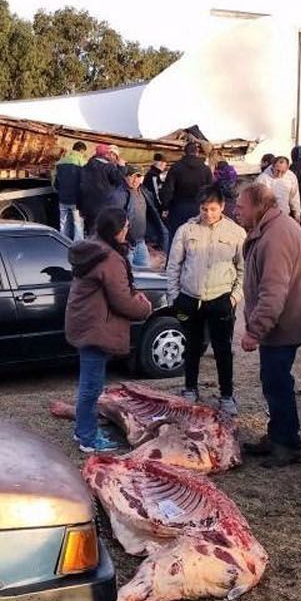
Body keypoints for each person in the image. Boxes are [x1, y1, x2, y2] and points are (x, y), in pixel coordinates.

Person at [236, 183, 301, 467]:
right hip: (283, 323)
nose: (237, 212)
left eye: (241, 207)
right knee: (274, 382)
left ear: (260, 206)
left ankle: (287, 444)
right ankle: (278, 435)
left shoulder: (276, 236)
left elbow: (273, 292)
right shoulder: (272, 228)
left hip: (284, 325)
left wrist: (254, 331)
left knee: (277, 383)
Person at [65, 207, 154, 453]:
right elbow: (122, 299)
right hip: (95, 328)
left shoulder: (93, 248)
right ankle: (88, 438)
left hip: (86, 324)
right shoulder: (109, 258)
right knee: (91, 387)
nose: (127, 230)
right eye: (125, 226)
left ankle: (84, 430)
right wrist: (144, 306)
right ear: (115, 230)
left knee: (89, 384)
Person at [164, 185, 245, 415]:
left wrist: (234, 297)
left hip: (221, 299)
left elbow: (244, 268)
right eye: (203, 209)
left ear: (221, 207)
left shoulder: (236, 232)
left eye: (212, 209)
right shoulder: (186, 231)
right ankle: (190, 389)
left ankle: (226, 395)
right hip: (190, 299)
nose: (208, 214)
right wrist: (174, 296)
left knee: (222, 349)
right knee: (191, 347)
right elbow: (174, 265)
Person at [160, 142, 213, 251]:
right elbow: (210, 192)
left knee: (176, 242)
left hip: (178, 209)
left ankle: (173, 267)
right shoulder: (205, 169)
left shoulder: (176, 168)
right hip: (199, 210)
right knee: (198, 243)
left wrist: (165, 207)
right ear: (197, 152)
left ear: (184, 152)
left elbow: (167, 191)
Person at [78, 144, 127, 231]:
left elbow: (81, 187)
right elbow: (120, 181)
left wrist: (81, 207)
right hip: (104, 208)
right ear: (106, 154)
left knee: (92, 233)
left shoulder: (85, 167)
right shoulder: (108, 167)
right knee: (103, 234)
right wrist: (122, 167)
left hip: (88, 208)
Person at [123, 165, 165, 267]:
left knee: (145, 272)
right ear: (125, 177)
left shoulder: (144, 192)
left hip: (141, 242)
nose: (135, 180)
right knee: (128, 272)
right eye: (132, 176)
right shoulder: (121, 194)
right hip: (127, 244)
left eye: (138, 177)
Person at [53, 142, 86, 240]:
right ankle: (77, 246)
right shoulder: (82, 161)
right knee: (78, 226)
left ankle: (63, 243)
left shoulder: (60, 162)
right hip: (76, 200)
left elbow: (55, 181)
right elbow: (85, 181)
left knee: (63, 225)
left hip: (62, 198)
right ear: (81, 150)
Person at [255, 156, 301, 220]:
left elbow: (294, 197)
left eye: (283, 172)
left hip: (285, 215)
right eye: (277, 171)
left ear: (287, 169)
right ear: (273, 167)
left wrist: (297, 214)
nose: (279, 175)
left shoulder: (291, 177)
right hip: (268, 217)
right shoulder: (262, 179)